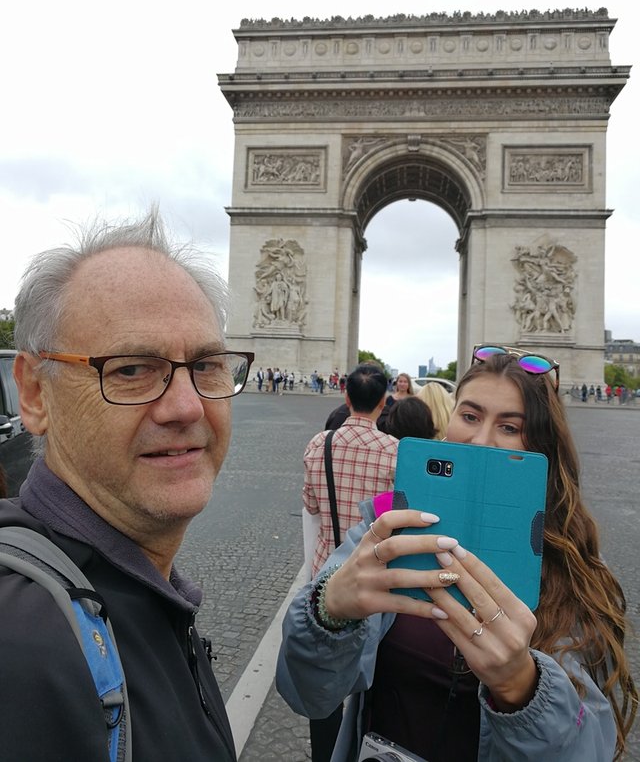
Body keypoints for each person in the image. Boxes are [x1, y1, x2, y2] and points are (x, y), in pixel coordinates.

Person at [277, 346, 637, 762]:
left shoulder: (577, 572)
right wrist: (328, 613)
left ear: (542, 445)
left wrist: (522, 688)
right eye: (469, 416)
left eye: (509, 426)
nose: (481, 440)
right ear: (447, 423)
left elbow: (592, 751)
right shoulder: (386, 532)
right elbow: (307, 695)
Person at [0, 209, 254, 761]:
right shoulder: (19, 648)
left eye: (207, 364)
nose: (188, 406)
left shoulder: (136, 593)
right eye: (132, 369)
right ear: (35, 394)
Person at [303, 362, 399, 762]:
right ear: (383, 402)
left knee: (324, 683)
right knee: (370, 680)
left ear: (345, 396)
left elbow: (310, 504)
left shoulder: (318, 444)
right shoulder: (396, 453)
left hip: (327, 576)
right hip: (376, 581)